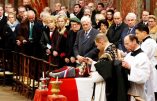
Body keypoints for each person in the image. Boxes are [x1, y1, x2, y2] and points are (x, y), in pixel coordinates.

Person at [85, 34, 127, 101]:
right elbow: (106, 67)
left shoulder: (107, 54)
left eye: (97, 45)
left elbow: (103, 73)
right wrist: (92, 62)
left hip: (107, 85)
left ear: (101, 42)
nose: (97, 48)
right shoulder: (113, 48)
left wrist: (92, 75)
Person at [122, 34, 151, 101]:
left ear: (134, 41)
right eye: (124, 44)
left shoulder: (143, 57)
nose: (125, 46)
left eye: (127, 44)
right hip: (127, 89)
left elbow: (144, 77)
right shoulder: (128, 55)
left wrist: (130, 67)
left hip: (138, 91)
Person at [135, 24, 157, 101]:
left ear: (144, 32)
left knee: (149, 94)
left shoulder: (149, 42)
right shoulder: (145, 42)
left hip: (149, 69)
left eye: (137, 33)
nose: (136, 35)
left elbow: (142, 56)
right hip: (146, 69)